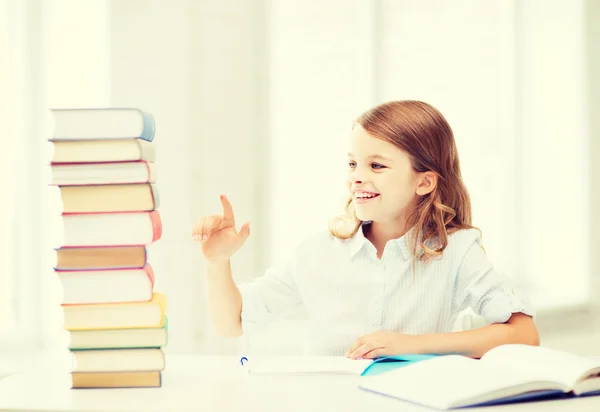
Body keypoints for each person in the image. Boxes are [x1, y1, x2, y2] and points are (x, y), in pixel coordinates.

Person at [192, 100, 540, 359]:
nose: (357, 176)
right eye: (353, 163)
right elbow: (232, 323)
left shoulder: (457, 251)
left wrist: (412, 346)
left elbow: (524, 333)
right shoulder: (318, 252)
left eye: (377, 165)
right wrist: (217, 262)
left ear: (424, 182)